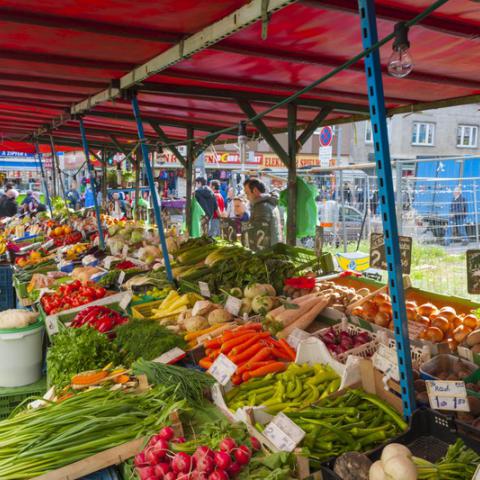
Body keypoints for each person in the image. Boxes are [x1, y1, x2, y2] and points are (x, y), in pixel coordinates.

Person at [243, 178, 281, 246]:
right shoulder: (268, 202)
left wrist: (244, 232)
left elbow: (259, 230)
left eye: (247, 193)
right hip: (272, 246)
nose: (247, 197)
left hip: (267, 251)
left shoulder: (262, 206)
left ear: (255, 190)